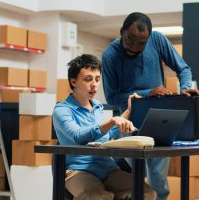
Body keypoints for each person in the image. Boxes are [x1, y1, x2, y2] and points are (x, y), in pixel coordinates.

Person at [102, 12, 199, 200]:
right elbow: (111, 97)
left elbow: (183, 68)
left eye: (141, 43)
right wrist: (146, 93)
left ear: (148, 38)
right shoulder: (110, 55)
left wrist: (185, 88)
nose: (135, 47)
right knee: (134, 178)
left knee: (158, 180)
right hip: (129, 122)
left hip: (160, 119)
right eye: (130, 39)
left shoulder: (157, 40)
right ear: (121, 32)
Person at [53, 54, 156, 200]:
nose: (94, 84)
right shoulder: (62, 110)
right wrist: (111, 122)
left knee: (147, 192)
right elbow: (78, 137)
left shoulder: (97, 107)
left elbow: (106, 135)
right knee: (94, 196)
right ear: (74, 82)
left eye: (97, 79)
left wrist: (128, 111)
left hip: (107, 168)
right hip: (79, 170)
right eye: (88, 79)